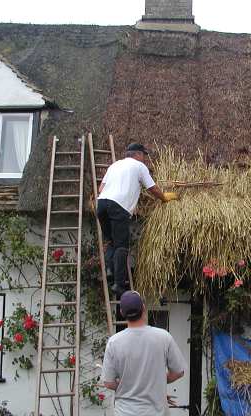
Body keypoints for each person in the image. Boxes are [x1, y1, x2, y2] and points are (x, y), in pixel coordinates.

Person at [97, 143, 177, 297]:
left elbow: (101, 189)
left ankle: (109, 271)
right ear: (138, 154)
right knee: (122, 246)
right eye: (144, 156)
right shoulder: (139, 167)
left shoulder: (114, 165)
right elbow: (152, 188)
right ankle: (119, 285)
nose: (145, 159)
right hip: (118, 206)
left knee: (112, 242)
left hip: (102, 204)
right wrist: (164, 198)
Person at [101, 291, 186, 416]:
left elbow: (108, 383)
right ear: (143, 308)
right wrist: (156, 383)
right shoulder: (163, 337)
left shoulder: (114, 342)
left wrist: (129, 385)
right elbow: (178, 372)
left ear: (122, 313)